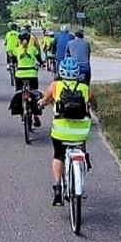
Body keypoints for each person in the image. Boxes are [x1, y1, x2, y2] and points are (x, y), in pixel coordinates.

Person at [39, 57, 97, 206]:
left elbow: (45, 99)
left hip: (61, 131)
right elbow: (93, 102)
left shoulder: (56, 86)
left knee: (58, 155)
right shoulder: (84, 88)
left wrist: (42, 103)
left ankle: (57, 185)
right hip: (81, 131)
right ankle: (84, 162)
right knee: (81, 145)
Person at [14, 31, 42, 127]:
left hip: (19, 75)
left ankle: (22, 112)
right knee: (35, 93)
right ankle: (36, 116)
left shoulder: (17, 50)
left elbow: (13, 60)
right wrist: (41, 63)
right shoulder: (33, 49)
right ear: (30, 40)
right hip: (32, 75)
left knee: (18, 93)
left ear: (19, 40)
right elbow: (39, 58)